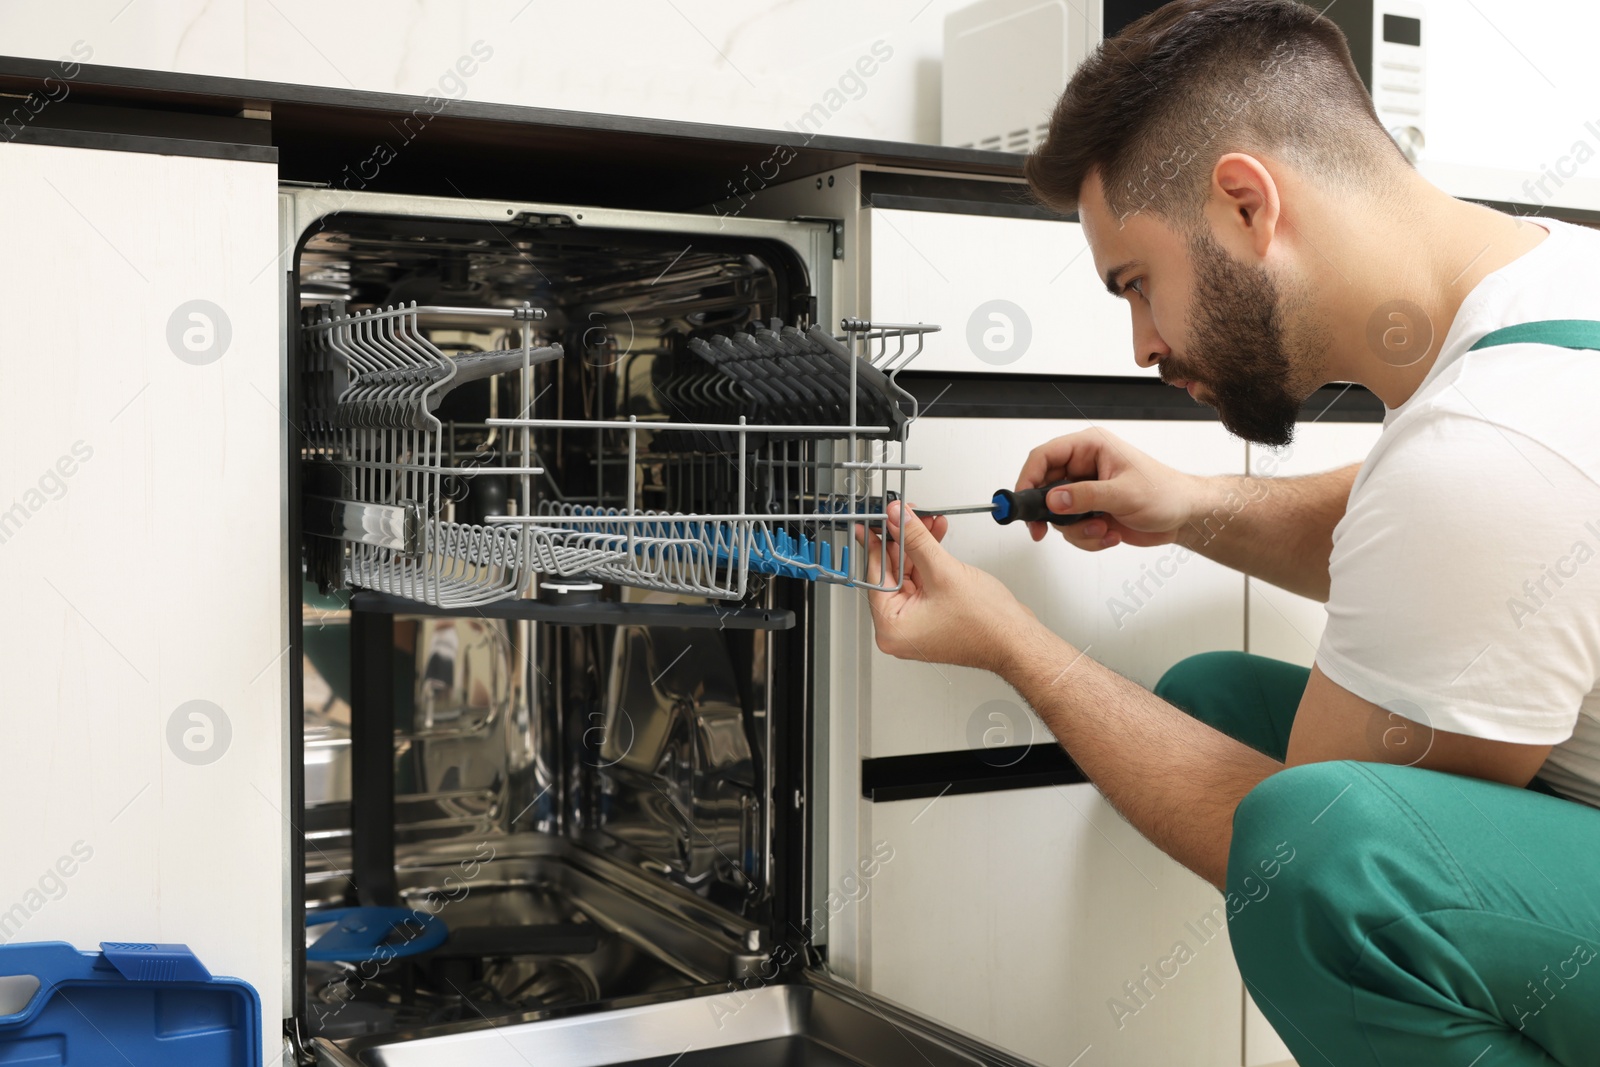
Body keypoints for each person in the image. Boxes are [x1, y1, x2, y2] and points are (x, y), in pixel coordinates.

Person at [861, 1, 1600, 1063]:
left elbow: (1295, 853)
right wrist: (1191, 505)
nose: (1141, 343)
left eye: (1136, 284)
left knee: (1326, 861)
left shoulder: (1487, 448)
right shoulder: (1544, 288)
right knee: (1216, 704)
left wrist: (1012, 642)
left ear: (1245, 204)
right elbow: (1437, 536)